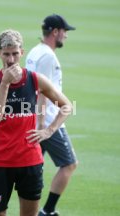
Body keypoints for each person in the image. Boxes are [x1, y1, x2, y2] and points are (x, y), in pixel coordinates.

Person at [0, 29, 73, 216]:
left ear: (22, 52)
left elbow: (67, 106)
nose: (11, 59)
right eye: (6, 54)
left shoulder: (35, 79)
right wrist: (5, 84)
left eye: (15, 53)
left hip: (30, 162)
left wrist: (49, 131)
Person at [25, 14, 78, 216]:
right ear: (55, 31)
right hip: (48, 122)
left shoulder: (35, 51)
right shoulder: (47, 55)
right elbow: (43, 93)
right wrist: (43, 127)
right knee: (69, 164)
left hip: (37, 119)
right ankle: (47, 211)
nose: (65, 36)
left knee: (34, 168)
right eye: (64, 31)